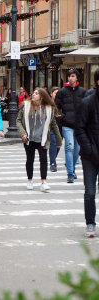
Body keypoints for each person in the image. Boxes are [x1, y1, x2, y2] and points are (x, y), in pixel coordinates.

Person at [16, 88, 62, 192]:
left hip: (42, 138)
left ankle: (43, 182)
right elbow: (18, 120)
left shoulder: (48, 108)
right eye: (33, 93)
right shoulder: (25, 105)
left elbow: (53, 124)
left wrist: (59, 140)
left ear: (42, 96)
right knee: (30, 159)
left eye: (36, 93)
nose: (33, 95)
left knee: (44, 159)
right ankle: (30, 180)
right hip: (29, 138)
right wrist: (22, 133)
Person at [75, 68, 99, 237]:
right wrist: (89, 149)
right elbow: (80, 129)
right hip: (90, 156)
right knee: (90, 191)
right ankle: (90, 222)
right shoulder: (88, 102)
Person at [55, 69, 86, 183]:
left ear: (77, 77)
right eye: (69, 76)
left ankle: (72, 169)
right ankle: (70, 173)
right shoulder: (62, 92)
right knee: (69, 147)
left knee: (76, 150)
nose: (70, 78)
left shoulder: (83, 92)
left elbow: (87, 107)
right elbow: (56, 107)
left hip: (79, 125)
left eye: (72, 76)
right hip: (67, 125)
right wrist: (62, 117)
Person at [49, 86, 61, 172]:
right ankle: (53, 162)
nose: (57, 95)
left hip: (61, 126)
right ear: (51, 94)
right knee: (53, 142)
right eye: (55, 93)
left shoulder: (62, 103)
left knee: (58, 145)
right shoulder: (49, 103)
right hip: (51, 127)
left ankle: (53, 158)